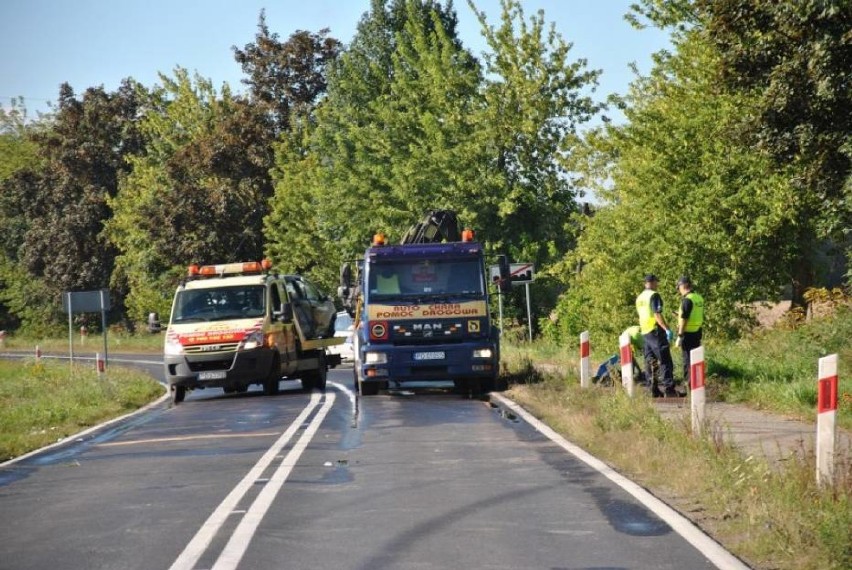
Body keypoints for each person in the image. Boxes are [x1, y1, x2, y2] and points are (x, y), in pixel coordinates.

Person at [635, 274, 679, 397]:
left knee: (650, 362)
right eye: (656, 282)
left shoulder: (640, 298)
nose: (657, 285)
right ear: (653, 282)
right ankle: (669, 389)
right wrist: (667, 329)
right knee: (665, 360)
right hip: (655, 331)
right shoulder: (654, 295)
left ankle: (652, 389)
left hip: (645, 332)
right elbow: (657, 314)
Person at [676, 276, 705, 386]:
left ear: (682, 286)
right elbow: (695, 314)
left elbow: (685, 318)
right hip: (697, 331)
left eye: (679, 288)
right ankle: (697, 383)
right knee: (696, 359)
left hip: (687, 333)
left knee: (687, 360)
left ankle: (689, 385)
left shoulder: (687, 300)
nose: (679, 290)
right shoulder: (699, 298)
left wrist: (680, 335)